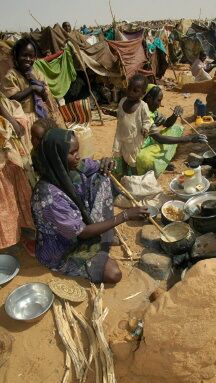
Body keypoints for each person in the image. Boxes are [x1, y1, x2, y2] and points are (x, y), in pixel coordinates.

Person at [31, 125, 149, 284]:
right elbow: (83, 233)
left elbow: (97, 165)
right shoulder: (48, 196)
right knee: (113, 274)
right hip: (63, 249)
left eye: (77, 151)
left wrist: (106, 162)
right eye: (72, 153)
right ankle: (99, 240)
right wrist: (125, 215)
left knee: (102, 177)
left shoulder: (69, 166)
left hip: (79, 227)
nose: (78, 156)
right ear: (57, 157)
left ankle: (102, 233)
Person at [2, 37, 63, 151]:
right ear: (16, 56)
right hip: (24, 120)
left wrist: (36, 82)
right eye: (24, 55)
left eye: (31, 56)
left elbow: (45, 97)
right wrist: (32, 88)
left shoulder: (37, 73)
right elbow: (11, 99)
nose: (28, 59)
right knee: (31, 150)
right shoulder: (11, 76)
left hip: (41, 117)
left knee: (45, 148)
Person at [136, 84, 207, 176]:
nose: (160, 105)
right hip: (137, 147)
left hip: (148, 140)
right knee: (144, 159)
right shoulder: (142, 114)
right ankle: (158, 164)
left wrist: (175, 115)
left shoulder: (152, 111)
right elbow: (159, 138)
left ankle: (161, 162)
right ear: (149, 98)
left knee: (176, 129)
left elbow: (167, 124)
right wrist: (189, 139)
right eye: (158, 100)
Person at [0, 93, 35, 254]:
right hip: (5, 157)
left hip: (10, 156)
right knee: (6, 200)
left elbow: (16, 126)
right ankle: (9, 241)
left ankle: (22, 234)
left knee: (16, 195)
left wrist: (12, 120)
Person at [103, 74, 152, 177]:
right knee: (122, 157)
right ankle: (125, 176)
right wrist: (110, 113)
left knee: (132, 159)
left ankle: (134, 177)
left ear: (143, 93)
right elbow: (120, 115)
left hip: (134, 138)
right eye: (129, 88)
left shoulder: (143, 106)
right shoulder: (122, 101)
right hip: (120, 135)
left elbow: (147, 120)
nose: (131, 92)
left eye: (135, 91)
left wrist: (145, 128)